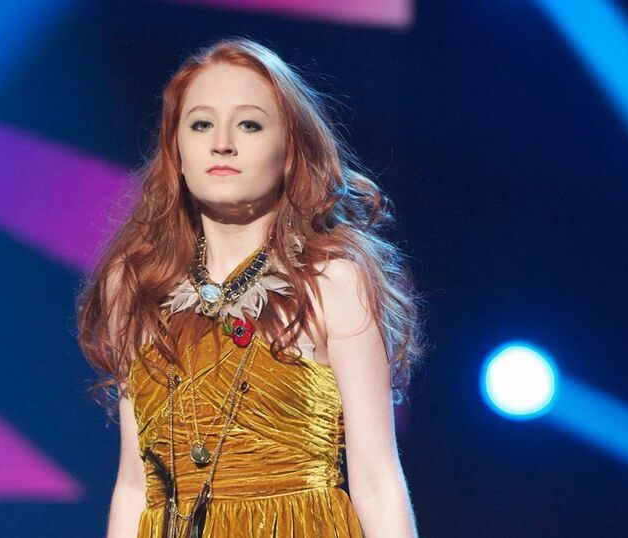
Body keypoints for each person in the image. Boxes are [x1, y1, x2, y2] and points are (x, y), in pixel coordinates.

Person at [76, 37, 428, 537]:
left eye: (249, 124)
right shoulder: (137, 285)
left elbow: (377, 480)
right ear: (176, 151)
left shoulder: (333, 280)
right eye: (201, 124)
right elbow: (135, 485)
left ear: (289, 151)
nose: (222, 143)